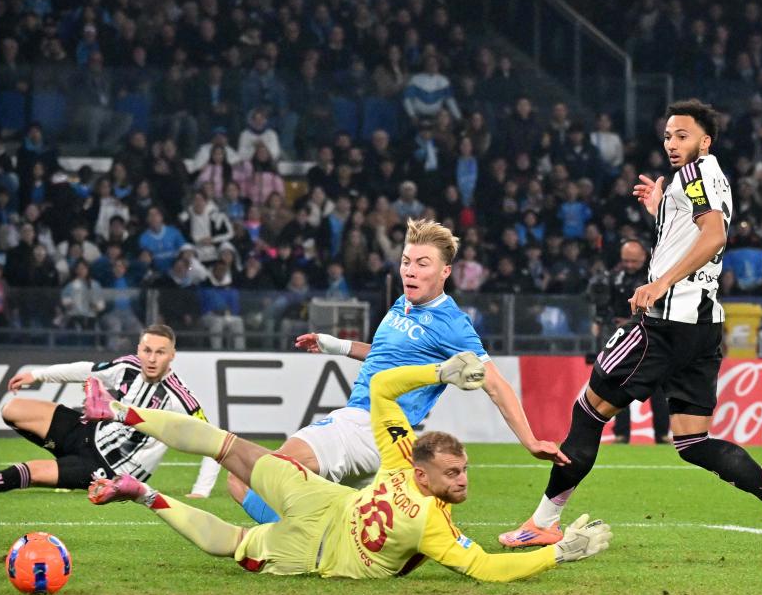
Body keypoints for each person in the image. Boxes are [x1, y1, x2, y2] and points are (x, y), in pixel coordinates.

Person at [498, 100, 762, 561]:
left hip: (666, 323)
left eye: (682, 135)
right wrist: (661, 209)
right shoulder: (712, 176)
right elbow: (693, 233)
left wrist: (661, 282)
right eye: (668, 135)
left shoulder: (694, 173)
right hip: (703, 328)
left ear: (705, 140)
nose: (671, 143)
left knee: (588, 411)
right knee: (693, 441)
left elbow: (714, 236)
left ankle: (543, 525)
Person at [83, 354, 612, 581]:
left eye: (464, 469)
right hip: (319, 547)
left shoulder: (402, 455)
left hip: (320, 505)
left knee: (229, 456)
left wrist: (440, 373)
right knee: (235, 534)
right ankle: (130, 448)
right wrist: (558, 554)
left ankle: (132, 457)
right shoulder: (432, 525)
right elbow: (487, 569)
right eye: (453, 473)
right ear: (424, 475)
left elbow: (382, 388)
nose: (463, 480)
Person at [232, 218, 568, 525]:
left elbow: (495, 384)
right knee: (276, 493)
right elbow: (386, 356)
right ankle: (316, 537)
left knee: (247, 476)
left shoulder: (453, 324)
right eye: (406, 262)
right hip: (388, 446)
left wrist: (530, 440)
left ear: (445, 271)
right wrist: (336, 345)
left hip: (364, 427)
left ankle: (304, 541)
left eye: (423, 263)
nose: (410, 271)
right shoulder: (403, 303)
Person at [0, 325, 218, 494]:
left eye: (160, 352)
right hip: (89, 432)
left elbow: (214, 442)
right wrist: (37, 375)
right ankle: (64, 462)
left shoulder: (180, 398)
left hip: (110, 468)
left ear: (172, 355)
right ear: (139, 349)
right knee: (11, 410)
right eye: (147, 350)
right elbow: (85, 369)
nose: (151, 358)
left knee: (27, 472)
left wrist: (201, 490)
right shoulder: (128, 366)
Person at [589, 239, 670, 444]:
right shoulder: (613, 278)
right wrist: (603, 321)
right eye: (626, 260)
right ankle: (621, 433)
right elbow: (603, 305)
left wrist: (633, 320)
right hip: (623, 338)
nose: (630, 265)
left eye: (634, 261)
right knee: (618, 384)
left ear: (644, 256)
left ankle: (662, 433)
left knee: (657, 387)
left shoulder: (655, 277)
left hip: (651, 337)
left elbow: (663, 307)